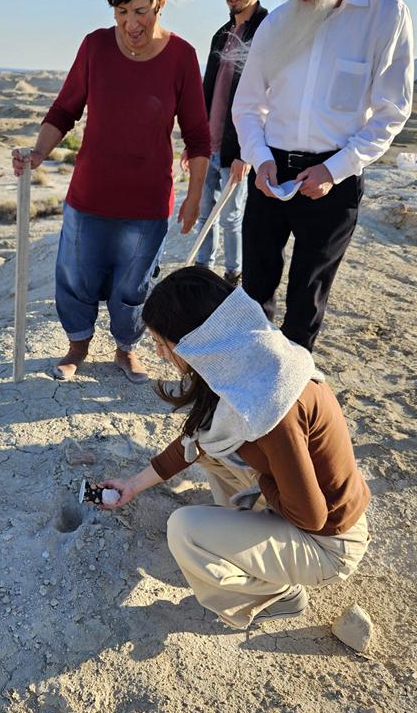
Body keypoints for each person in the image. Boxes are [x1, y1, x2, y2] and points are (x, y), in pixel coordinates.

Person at [101, 266, 370, 629]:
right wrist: (132, 485)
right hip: (311, 512)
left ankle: (274, 595)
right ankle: (251, 538)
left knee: (185, 529)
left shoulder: (272, 407)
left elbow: (312, 517)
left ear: (198, 342)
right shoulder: (254, 359)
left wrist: (261, 478)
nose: (162, 355)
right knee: (213, 451)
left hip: (328, 545)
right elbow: (196, 441)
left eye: (162, 344)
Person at [12, 0, 210, 383]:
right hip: (90, 196)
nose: (129, 24)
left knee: (133, 286)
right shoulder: (95, 46)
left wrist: (194, 197)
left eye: (140, 10)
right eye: (120, 11)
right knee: (76, 277)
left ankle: (125, 349)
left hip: (147, 203)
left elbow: (197, 136)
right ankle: (76, 348)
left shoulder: (182, 56)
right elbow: (64, 110)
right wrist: (38, 153)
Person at [231, 0, 414, 352]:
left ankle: (291, 391)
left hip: (336, 177)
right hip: (270, 171)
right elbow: (247, 105)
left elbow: (391, 113)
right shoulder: (277, 22)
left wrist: (334, 170)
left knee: (307, 298)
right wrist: (260, 159)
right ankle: (251, 377)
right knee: (253, 293)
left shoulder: (385, 14)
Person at [183, 0, 267, 286]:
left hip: (238, 148)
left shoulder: (267, 29)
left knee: (232, 217)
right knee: (206, 212)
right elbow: (207, 91)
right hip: (209, 145)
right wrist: (195, 145)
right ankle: (203, 270)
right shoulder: (221, 33)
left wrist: (248, 151)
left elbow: (269, 95)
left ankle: (233, 274)